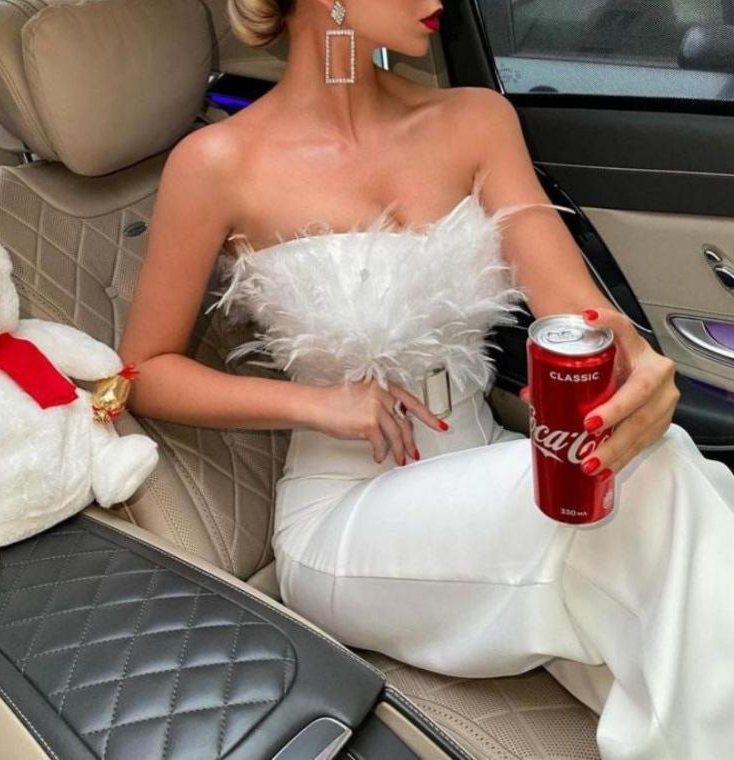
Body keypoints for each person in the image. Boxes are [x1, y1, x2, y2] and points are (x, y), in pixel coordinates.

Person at [118, 2, 734, 757]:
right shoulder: (217, 162)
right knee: (660, 490)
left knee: (676, 534)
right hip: (349, 514)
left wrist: (633, 364)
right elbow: (143, 371)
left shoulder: (476, 120)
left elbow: (574, 307)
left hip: (489, 462)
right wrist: (317, 402)